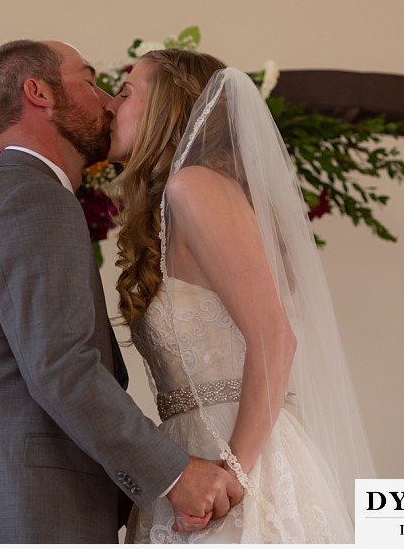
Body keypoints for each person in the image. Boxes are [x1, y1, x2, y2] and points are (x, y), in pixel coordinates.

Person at [0, 40, 243, 543]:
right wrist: (176, 473)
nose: (109, 102)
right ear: (39, 92)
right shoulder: (35, 200)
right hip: (21, 513)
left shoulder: (3, 198)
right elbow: (61, 366)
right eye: (91, 82)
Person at [106, 49, 376, 543]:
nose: (109, 105)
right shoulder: (172, 203)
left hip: (238, 458)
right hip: (189, 457)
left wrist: (233, 472)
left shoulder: (195, 187)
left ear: (165, 110)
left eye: (125, 94)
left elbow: (275, 337)